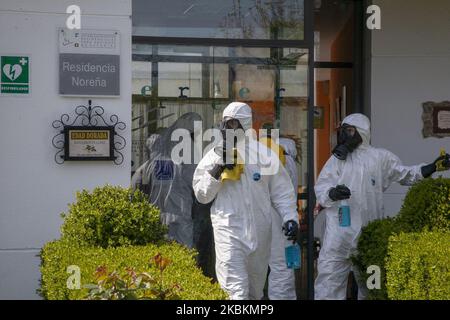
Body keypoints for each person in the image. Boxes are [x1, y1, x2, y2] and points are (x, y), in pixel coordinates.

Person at [314, 113, 450, 300]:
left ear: (362, 132)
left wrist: (431, 168)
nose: (345, 136)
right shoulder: (337, 160)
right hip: (338, 236)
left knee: (371, 287)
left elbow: (405, 174)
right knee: (328, 286)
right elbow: (321, 186)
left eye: (350, 131)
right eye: (344, 131)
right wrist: (331, 193)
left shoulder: (381, 158)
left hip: (368, 234)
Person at [192, 102, 299, 300]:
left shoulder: (264, 156)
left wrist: (290, 218)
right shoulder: (214, 155)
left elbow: (282, 192)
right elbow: (201, 194)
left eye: (233, 124)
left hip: (260, 235)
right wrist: (218, 168)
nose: (227, 129)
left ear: (245, 124)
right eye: (225, 123)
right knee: (235, 292)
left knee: (254, 292)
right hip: (229, 230)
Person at [132, 112, 203, 248]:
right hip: (179, 215)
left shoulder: (150, 163)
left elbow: (137, 186)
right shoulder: (185, 152)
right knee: (182, 256)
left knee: (161, 257)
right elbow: (196, 183)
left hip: (158, 216)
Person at [268, 137, 299, 300]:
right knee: (283, 272)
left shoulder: (274, 160)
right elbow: (287, 197)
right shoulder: (287, 162)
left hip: (277, 222)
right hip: (283, 225)